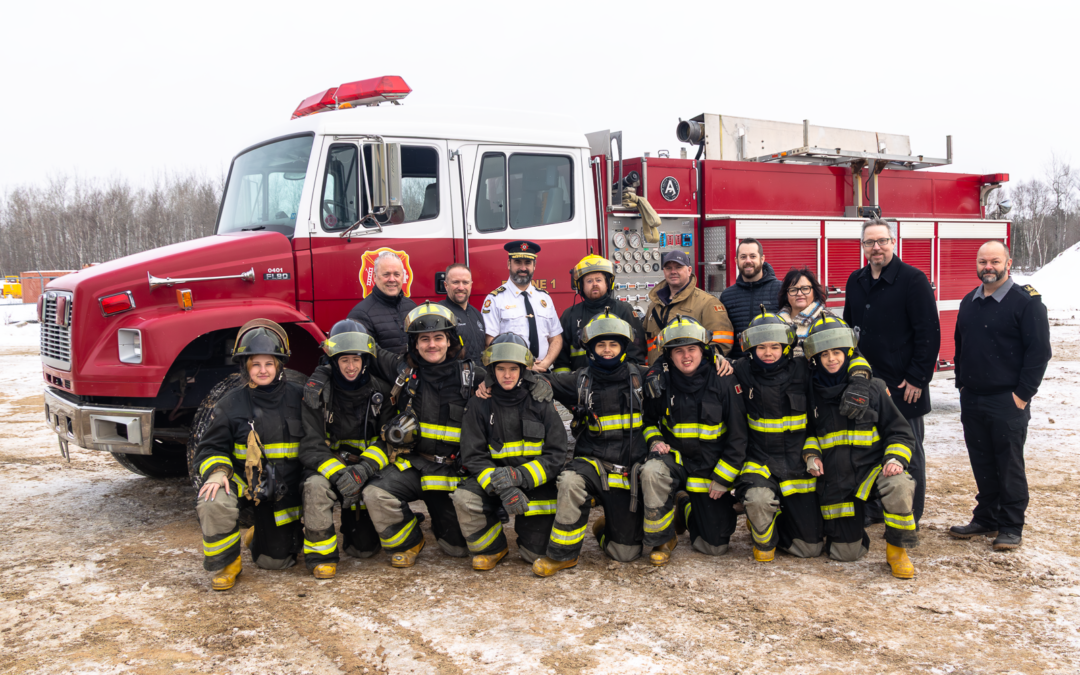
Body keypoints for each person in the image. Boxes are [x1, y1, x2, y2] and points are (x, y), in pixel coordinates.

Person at [731, 310, 872, 561]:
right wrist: (715, 358)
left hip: (797, 465)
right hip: (760, 462)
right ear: (750, 348)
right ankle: (761, 529)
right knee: (759, 498)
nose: (768, 353)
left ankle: (778, 518)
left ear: (787, 345)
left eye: (775, 346)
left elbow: (848, 355)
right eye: (761, 347)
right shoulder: (741, 370)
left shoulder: (802, 369)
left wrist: (860, 379)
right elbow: (702, 365)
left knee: (809, 549)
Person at [360, 302, 483, 567]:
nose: (432, 345)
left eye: (438, 338)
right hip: (415, 466)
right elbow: (361, 349)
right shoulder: (404, 371)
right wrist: (320, 375)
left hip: (452, 472)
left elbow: (511, 375)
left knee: (457, 549)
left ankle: (443, 523)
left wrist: (534, 384)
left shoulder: (473, 376)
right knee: (375, 493)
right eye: (424, 339)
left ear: (450, 341)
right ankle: (409, 542)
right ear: (414, 345)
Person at [949, 241, 1051, 551]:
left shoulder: (1027, 303)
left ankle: (1010, 526)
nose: (988, 267)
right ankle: (986, 518)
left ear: (1008, 263)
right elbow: (960, 345)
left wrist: (1022, 395)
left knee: (1008, 466)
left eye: (995, 261)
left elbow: (1039, 353)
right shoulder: (969, 301)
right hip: (973, 398)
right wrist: (961, 384)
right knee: (982, 462)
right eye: (983, 261)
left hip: (1007, 401)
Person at [532, 311, 650, 576]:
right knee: (569, 481)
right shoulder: (579, 381)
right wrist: (489, 383)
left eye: (613, 344)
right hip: (591, 465)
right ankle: (562, 555)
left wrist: (717, 359)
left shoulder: (642, 377)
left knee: (625, 553)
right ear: (590, 348)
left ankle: (604, 528)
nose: (607, 350)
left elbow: (682, 369)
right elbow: (529, 378)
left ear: (623, 347)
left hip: (627, 471)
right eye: (601, 345)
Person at [802, 316, 919, 578]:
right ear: (815, 358)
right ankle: (848, 530)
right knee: (846, 553)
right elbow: (809, 432)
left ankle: (897, 551)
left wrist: (895, 459)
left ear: (848, 353)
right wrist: (811, 454)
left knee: (899, 485)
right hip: (838, 477)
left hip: (874, 470)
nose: (831, 359)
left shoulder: (873, 388)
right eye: (824, 354)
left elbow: (899, 432)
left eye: (837, 352)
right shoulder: (811, 392)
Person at [193, 320, 305, 590]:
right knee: (212, 499)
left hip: (283, 490)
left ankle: (260, 535)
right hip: (245, 484)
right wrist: (218, 472)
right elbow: (210, 448)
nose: (262, 370)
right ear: (245, 367)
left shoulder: (300, 397)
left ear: (279, 365)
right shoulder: (230, 404)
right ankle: (226, 565)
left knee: (276, 561)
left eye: (269, 364)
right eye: (256, 364)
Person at [843, 217, 939, 526]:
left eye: (882, 241)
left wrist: (917, 378)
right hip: (867, 384)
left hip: (903, 385)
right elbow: (849, 332)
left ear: (893, 243)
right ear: (863, 247)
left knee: (908, 449)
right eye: (869, 242)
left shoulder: (913, 280)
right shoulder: (856, 281)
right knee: (871, 447)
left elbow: (928, 332)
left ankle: (910, 512)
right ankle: (876, 508)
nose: (876, 247)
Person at [452, 333, 568, 570]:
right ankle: (492, 548)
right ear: (491, 369)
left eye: (513, 369)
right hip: (494, 480)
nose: (507, 375)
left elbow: (556, 454)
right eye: (501, 368)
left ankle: (530, 540)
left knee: (533, 554)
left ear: (523, 369)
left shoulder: (540, 400)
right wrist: (503, 486)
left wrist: (519, 477)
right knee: (465, 497)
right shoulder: (479, 403)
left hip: (535, 482)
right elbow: (473, 455)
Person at [640, 316, 749, 565]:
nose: (686, 356)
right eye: (678, 351)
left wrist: (723, 478)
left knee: (713, 546)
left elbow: (739, 435)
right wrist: (655, 440)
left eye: (692, 349)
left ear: (704, 350)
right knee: (651, 471)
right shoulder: (660, 381)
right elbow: (647, 421)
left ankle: (685, 505)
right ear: (669, 355)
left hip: (709, 467)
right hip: (675, 460)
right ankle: (662, 539)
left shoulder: (724, 379)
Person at [297, 319, 393, 579]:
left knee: (364, 549)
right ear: (333, 361)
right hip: (330, 469)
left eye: (356, 360)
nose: (351, 367)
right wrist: (339, 474)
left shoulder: (381, 393)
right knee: (314, 486)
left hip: (364, 470)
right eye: (344, 360)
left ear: (365, 360)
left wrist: (363, 470)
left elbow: (387, 441)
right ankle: (321, 558)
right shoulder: (318, 394)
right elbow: (311, 444)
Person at [553, 254, 646, 374]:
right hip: (580, 381)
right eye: (589, 281)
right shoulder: (569, 315)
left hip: (619, 380)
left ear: (608, 283)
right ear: (580, 285)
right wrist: (568, 381)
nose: (594, 284)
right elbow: (561, 359)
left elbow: (636, 352)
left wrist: (629, 378)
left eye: (598, 280)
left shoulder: (624, 310)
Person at [482, 241, 563, 372]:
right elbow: (490, 342)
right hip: (513, 374)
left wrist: (545, 364)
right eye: (518, 262)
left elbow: (556, 338)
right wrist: (525, 365)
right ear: (509, 264)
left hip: (545, 371)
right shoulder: (495, 299)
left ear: (534, 265)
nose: (523, 268)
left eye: (528, 263)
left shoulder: (545, 298)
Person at [643, 250, 734, 365]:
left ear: (689, 270)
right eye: (669, 268)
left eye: (678, 267)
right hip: (658, 372)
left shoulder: (708, 303)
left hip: (690, 373)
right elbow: (645, 343)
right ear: (664, 271)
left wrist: (696, 368)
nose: (673, 271)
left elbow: (722, 343)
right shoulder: (654, 305)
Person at [720, 238, 783, 358]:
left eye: (753, 256)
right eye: (743, 257)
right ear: (736, 260)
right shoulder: (727, 296)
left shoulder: (780, 290)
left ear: (762, 259)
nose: (748, 261)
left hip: (772, 364)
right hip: (738, 366)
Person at [347, 251, 418, 354]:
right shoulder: (360, 314)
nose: (392, 279)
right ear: (375, 276)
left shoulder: (412, 307)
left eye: (397, 274)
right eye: (386, 274)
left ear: (402, 276)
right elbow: (364, 357)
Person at [776, 267, 835, 357]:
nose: (799, 293)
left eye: (805, 288)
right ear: (786, 294)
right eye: (793, 290)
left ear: (814, 292)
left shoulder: (828, 319)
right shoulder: (776, 322)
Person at [438, 263, 486, 363]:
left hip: (479, 373)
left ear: (471, 285)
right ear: (446, 285)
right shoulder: (439, 314)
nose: (461, 287)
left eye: (465, 282)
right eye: (455, 282)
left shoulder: (476, 314)